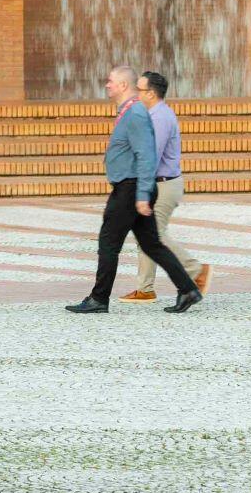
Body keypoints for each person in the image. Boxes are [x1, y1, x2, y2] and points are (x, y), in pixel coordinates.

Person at [66, 65, 201, 315]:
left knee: (108, 242)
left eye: (111, 81)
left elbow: (146, 155)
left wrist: (141, 196)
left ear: (123, 86)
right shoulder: (132, 112)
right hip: (133, 186)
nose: (107, 85)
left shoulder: (136, 114)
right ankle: (188, 289)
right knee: (152, 245)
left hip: (131, 188)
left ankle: (99, 298)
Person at [124, 71, 211, 302]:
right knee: (146, 234)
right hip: (158, 183)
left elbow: (152, 155)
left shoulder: (160, 118)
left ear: (151, 93)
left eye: (139, 90)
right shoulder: (154, 114)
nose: (135, 94)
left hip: (164, 185)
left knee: (156, 236)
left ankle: (195, 270)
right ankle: (145, 288)